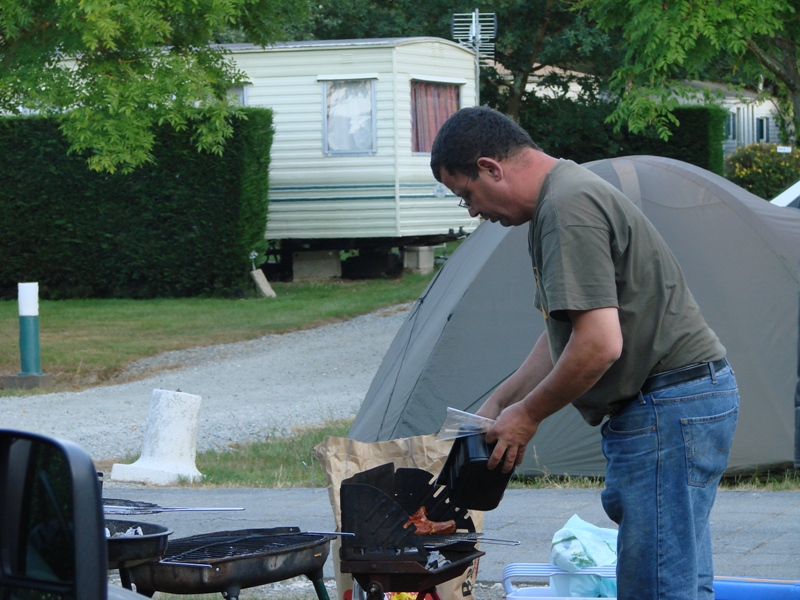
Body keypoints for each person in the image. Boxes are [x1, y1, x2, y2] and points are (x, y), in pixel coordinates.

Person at [430, 106, 740, 600]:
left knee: (657, 587)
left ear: (491, 167)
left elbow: (599, 344)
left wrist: (528, 415)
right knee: (677, 579)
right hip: (679, 404)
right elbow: (566, 333)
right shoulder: (561, 196)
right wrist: (501, 401)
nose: (471, 211)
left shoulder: (568, 207)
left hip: (668, 408)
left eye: (467, 194)